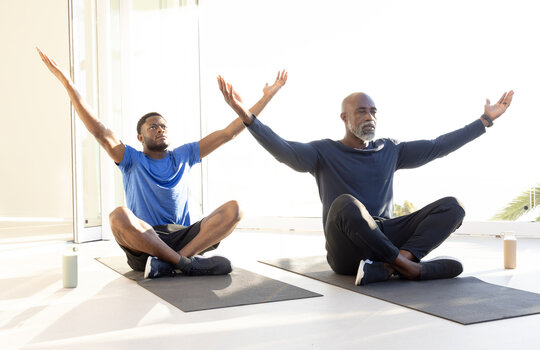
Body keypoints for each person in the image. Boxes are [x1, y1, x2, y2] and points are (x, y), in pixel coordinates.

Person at [217, 75, 513, 285]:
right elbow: (284, 149)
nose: (369, 116)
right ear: (344, 117)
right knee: (346, 204)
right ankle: (407, 267)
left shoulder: (391, 149)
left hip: (384, 236)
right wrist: (247, 115)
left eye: (373, 111)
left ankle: (394, 266)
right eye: (361, 111)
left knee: (453, 207)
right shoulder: (323, 151)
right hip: (346, 251)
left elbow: (438, 146)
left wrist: (484, 121)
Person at [37, 48, 287, 278]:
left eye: (164, 126)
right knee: (117, 217)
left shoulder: (184, 155)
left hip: (183, 237)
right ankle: (184, 264)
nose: (160, 129)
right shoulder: (130, 159)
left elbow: (228, 132)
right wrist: (66, 81)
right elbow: (99, 131)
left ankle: (173, 262)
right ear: (140, 136)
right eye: (153, 126)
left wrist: (264, 98)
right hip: (145, 243)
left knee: (236, 209)